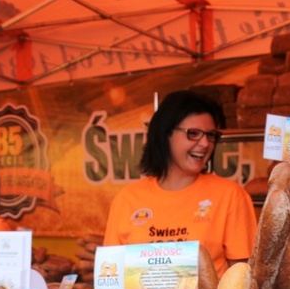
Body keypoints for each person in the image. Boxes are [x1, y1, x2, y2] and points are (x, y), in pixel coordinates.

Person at [104, 90, 257, 278]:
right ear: (165, 133)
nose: (205, 144)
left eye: (210, 135)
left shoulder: (230, 195)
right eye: (193, 134)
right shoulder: (127, 198)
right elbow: (111, 275)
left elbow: (242, 280)